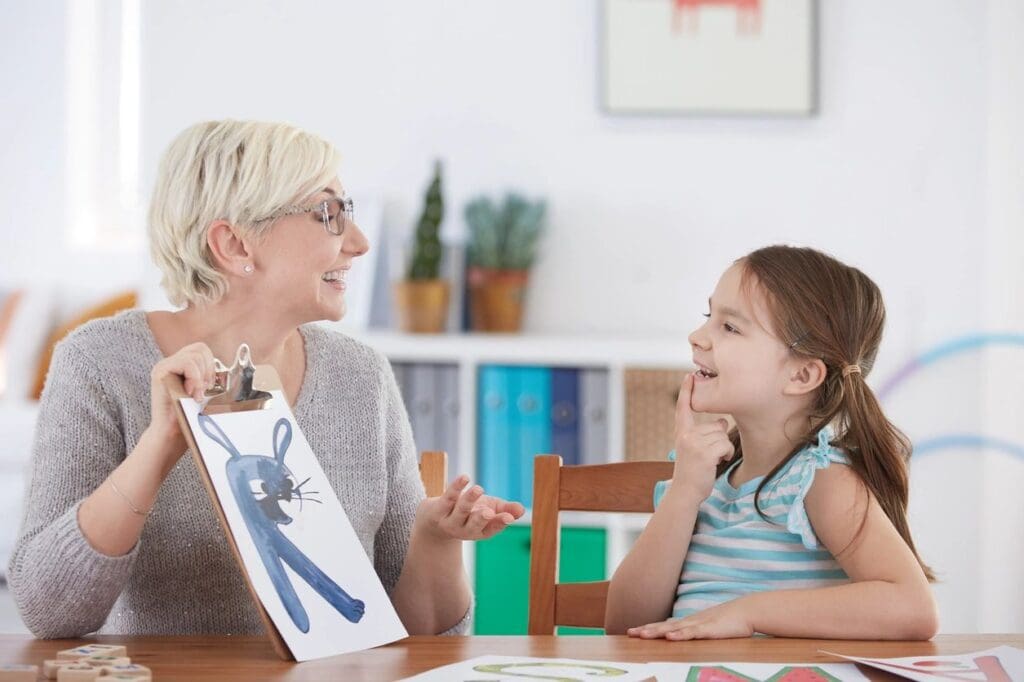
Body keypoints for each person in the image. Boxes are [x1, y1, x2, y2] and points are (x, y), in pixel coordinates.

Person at [8, 119, 524, 638]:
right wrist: (160, 446)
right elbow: (49, 613)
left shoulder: (361, 377)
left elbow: (414, 639)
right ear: (234, 245)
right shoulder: (98, 361)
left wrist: (435, 540)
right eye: (329, 214)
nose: (361, 243)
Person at [605, 245, 938, 640]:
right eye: (709, 317)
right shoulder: (702, 477)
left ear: (801, 376)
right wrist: (683, 494)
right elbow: (623, 627)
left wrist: (748, 614)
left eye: (729, 327)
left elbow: (912, 608)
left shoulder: (819, 481)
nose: (697, 337)